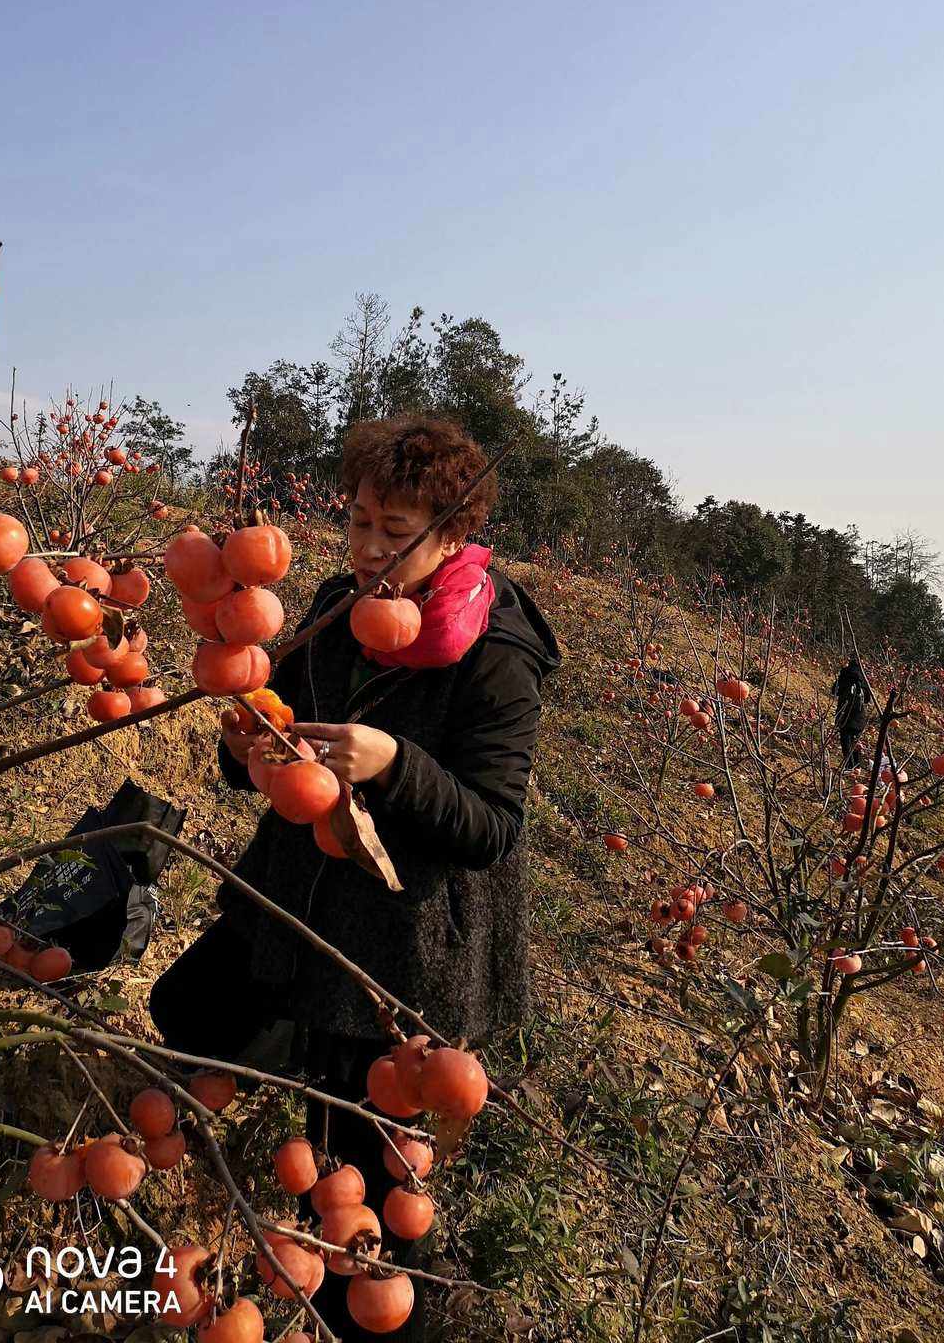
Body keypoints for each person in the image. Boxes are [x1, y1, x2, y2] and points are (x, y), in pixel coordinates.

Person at [149, 415, 561, 1340]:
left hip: (404, 951)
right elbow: (278, 742)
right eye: (361, 521)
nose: (371, 548)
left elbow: (492, 828)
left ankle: (390, 1312)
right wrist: (246, 744)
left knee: (367, 1205)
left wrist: (392, 763)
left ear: (452, 535)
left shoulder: (499, 655)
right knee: (191, 1014)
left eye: (397, 531)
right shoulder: (338, 607)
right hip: (292, 903)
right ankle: (241, 1173)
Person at [832, 656, 868, 769]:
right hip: (859, 716)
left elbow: (834, 691)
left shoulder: (845, 675)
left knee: (846, 741)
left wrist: (840, 676)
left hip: (845, 713)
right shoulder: (863, 679)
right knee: (855, 741)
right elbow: (867, 699)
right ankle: (856, 766)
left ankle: (849, 766)